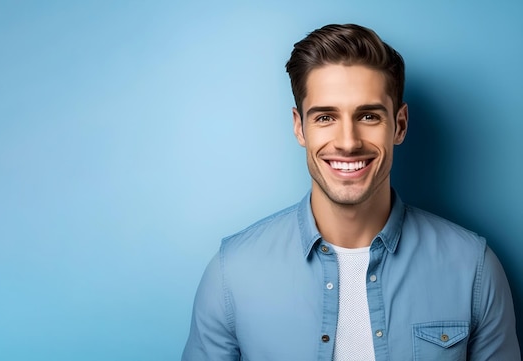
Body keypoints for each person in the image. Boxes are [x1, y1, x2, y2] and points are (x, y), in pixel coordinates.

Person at [181, 24, 520, 360]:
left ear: (399, 125)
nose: (348, 142)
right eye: (326, 117)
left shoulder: (473, 268)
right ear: (300, 127)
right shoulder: (233, 272)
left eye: (369, 116)